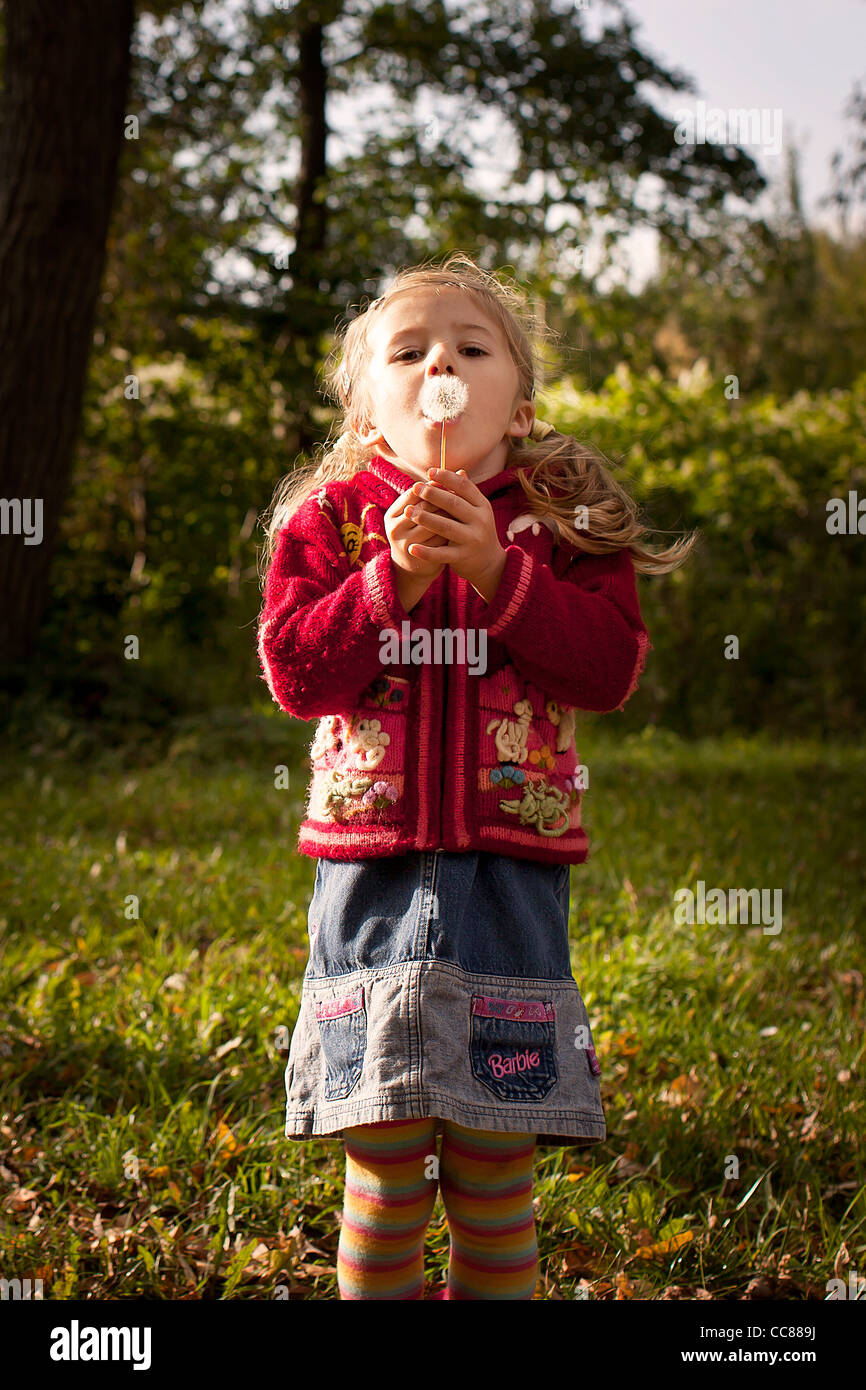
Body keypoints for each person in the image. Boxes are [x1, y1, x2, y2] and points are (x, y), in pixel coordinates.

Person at [256, 252, 695, 1300]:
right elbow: (296, 671)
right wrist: (390, 580)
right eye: (406, 351)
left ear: (520, 404)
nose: (439, 359)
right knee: (384, 1154)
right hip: (371, 881)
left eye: (469, 344)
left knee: (497, 1157)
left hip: (510, 879)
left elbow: (606, 667)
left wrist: (501, 571)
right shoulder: (334, 521)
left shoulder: (561, 520)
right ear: (367, 419)